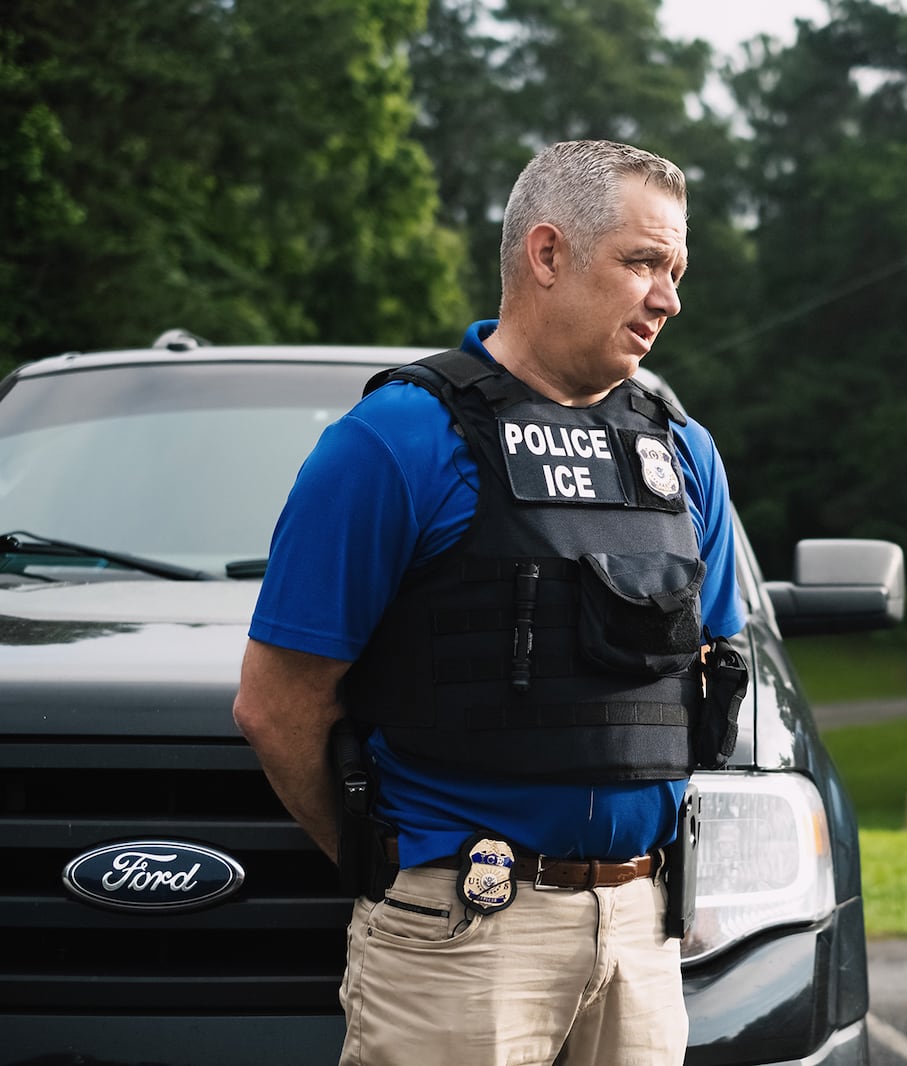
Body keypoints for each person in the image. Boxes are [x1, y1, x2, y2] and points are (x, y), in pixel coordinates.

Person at [233, 139, 747, 1066]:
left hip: (640, 938)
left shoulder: (684, 454)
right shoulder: (400, 439)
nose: (668, 299)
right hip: (461, 937)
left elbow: (713, 674)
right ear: (547, 256)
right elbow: (277, 705)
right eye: (641, 263)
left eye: (675, 271)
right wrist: (396, 874)